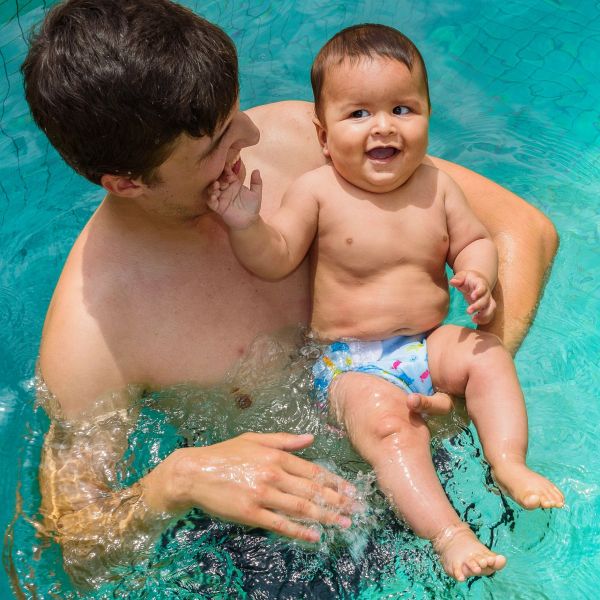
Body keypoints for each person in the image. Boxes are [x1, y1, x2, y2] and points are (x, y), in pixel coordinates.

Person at [22, 0, 558, 587]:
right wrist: (177, 482)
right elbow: (76, 545)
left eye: (236, 111)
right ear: (127, 183)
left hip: (432, 447)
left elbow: (522, 230)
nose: (251, 134)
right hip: (295, 539)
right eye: (219, 142)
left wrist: (464, 387)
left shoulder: (302, 141)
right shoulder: (95, 332)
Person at [208, 24, 564, 582]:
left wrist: (478, 275)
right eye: (358, 114)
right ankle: (448, 533)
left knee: (488, 355)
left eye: (402, 109)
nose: (383, 126)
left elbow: (475, 240)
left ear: (428, 116)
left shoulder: (437, 186)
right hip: (350, 364)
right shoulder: (318, 190)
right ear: (324, 136)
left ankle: (508, 462)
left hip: (426, 345)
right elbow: (275, 258)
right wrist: (246, 224)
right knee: (388, 425)